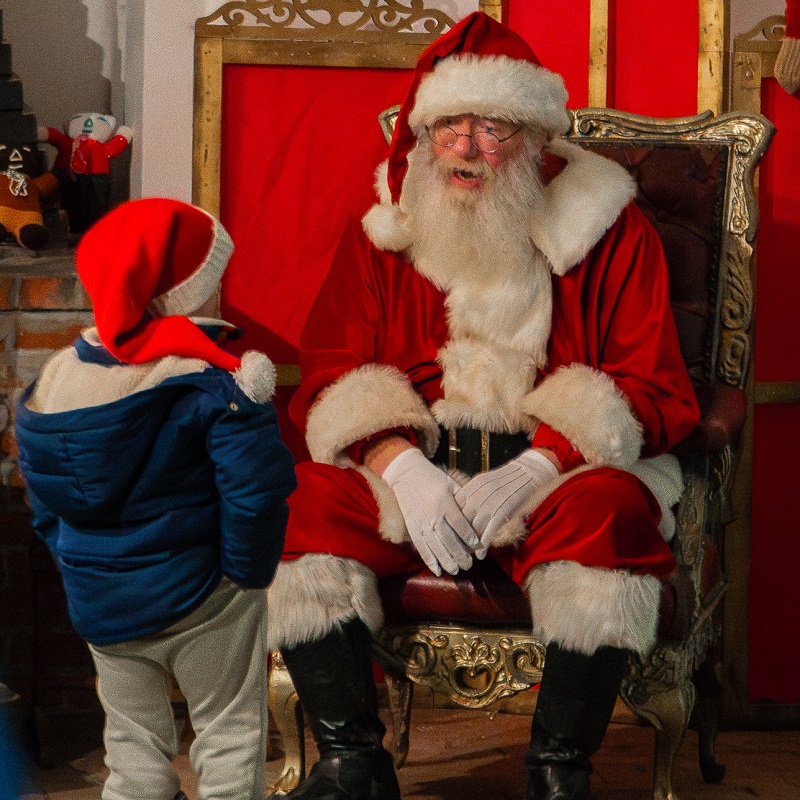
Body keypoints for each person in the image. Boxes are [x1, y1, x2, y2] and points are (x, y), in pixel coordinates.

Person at [268, 12, 699, 800]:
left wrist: (543, 461)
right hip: (419, 477)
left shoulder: (613, 230)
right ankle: (351, 762)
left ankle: (558, 769)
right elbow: (333, 370)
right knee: (300, 502)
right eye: (448, 126)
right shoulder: (383, 234)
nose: (466, 149)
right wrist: (399, 466)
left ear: (535, 138)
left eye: (492, 127)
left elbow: (654, 387)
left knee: (614, 511)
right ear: (423, 135)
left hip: (553, 483)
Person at [14, 198, 297, 800]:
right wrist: (245, 576)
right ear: (179, 291)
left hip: (102, 600)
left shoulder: (53, 379)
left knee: (133, 749)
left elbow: (43, 506)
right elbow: (257, 491)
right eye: (209, 278)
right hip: (205, 594)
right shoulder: (214, 380)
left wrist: (82, 569)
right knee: (229, 736)